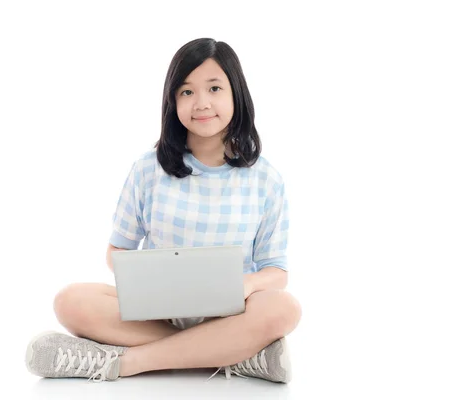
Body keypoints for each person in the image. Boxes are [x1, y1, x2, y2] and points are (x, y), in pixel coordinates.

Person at [25, 38, 302, 383]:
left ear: (237, 95)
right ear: (172, 100)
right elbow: (117, 253)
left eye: (214, 88)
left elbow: (276, 271)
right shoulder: (147, 169)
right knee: (70, 301)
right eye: (186, 92)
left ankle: (125, 362)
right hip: (157, 314)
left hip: (232, 315)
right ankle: (238, 356)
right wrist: (146, 274)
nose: (201, 103)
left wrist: (245, 284)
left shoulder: (266, 179)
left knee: (284, 308)